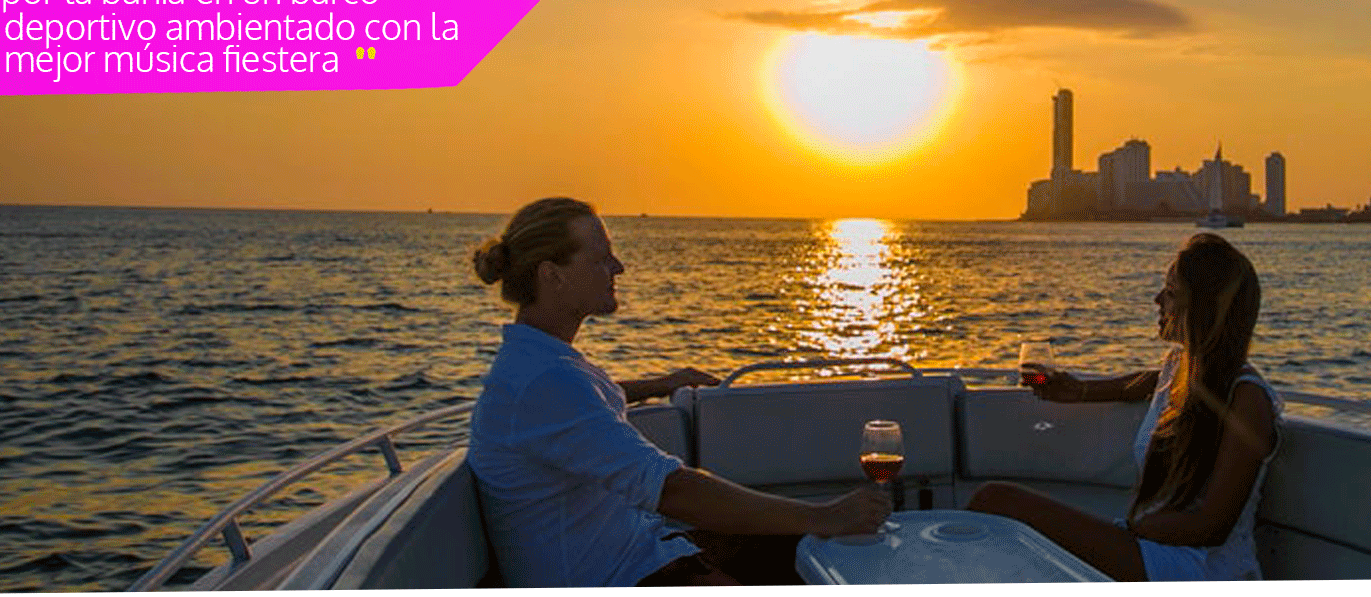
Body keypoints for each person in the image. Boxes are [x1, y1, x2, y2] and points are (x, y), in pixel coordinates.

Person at [466, 197, 890, 587]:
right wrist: (825, 514)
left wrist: (659, 384)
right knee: (819, 545)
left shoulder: (541, 366)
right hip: (620, 578)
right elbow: (672, 490)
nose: (618, 267)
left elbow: (590, 405)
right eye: (601, 258)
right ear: (552, 274)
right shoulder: (547, 382)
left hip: (642, 550)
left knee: (812, 552)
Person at [966, 232, 1283, 581]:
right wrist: (1077, 391)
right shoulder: (1181, 370)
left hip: (1200, 567)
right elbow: (1145, 382)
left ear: (1203, 309)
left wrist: (1133, 528)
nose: (1157, 299)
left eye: (1172, 292)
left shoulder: (1247, 399)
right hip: (1154, 546)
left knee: (995, 501)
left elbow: (1213, 526)